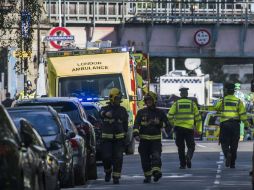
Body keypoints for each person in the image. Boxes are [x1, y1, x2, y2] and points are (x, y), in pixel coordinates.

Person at [133, 91, 171, 183]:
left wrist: (160, 124)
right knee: (145, 160)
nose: (148, 101)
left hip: (155, 141)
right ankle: (148, 176)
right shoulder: (141, 112)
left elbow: (169, 126)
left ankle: (156, 172)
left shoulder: (160, 113)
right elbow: (136, 125)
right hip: (144, 141)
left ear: (154, 101)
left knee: (156, 157)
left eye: (150, 100)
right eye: (147, 100)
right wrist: (136, 135)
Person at [215, 82, 249, 168]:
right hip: (235, 125)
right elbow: (243, 115)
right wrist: (246, 124)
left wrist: (221, 100)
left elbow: (216, 107)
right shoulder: (238, 101)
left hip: (225, 125)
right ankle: (232, 164)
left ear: (226, 91)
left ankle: (227, 154)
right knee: (234, 145)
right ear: (234, 91)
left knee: (224, 143)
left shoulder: (223, 100)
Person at [167, 87, 202, 169]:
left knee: (180, 147)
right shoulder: (192, 104)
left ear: (180, 94)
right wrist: (199, 129)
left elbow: (169, 116)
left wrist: (173, 124)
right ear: (186, 94)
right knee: (191, 146)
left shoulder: (176, 104)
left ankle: (183, 164)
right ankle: (189, 157)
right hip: (189, 129)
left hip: (178, 129)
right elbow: (198, 118)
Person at [99, 87, 128, 184]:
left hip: (119, 140)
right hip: (106, 140)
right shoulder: (104, 108)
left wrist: (125, 135)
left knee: (118, 158)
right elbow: (100, 113)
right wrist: (106, 114)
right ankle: (108, 172)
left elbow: (125, 125)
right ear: (112, 98)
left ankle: (116, 177)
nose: (118, 100)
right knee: (106, 157)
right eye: (117, 98)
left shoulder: (123, 110)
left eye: (119, 98)